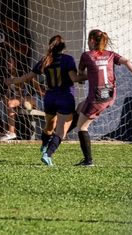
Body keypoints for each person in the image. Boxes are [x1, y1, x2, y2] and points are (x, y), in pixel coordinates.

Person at [5, 35, 86, 166]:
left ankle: (44, 145)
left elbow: (27, 77)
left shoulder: (46, 60)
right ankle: (47, 154)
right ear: (64, 47)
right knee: (61, 131)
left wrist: (13, 81)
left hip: (49, 98)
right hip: (65, 97)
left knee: (49, 126)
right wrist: (91, 75)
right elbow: (75, 78)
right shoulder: (68, 59)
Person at [74, 29, 132, 166]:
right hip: (110, 95)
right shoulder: (111, 55)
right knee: (80, 107)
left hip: (96, 98)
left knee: (82, 127)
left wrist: (79, 77)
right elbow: (127, 61)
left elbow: (81, 74)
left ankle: (88, 160)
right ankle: (60, 134)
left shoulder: (86, 55)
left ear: (91, 41)